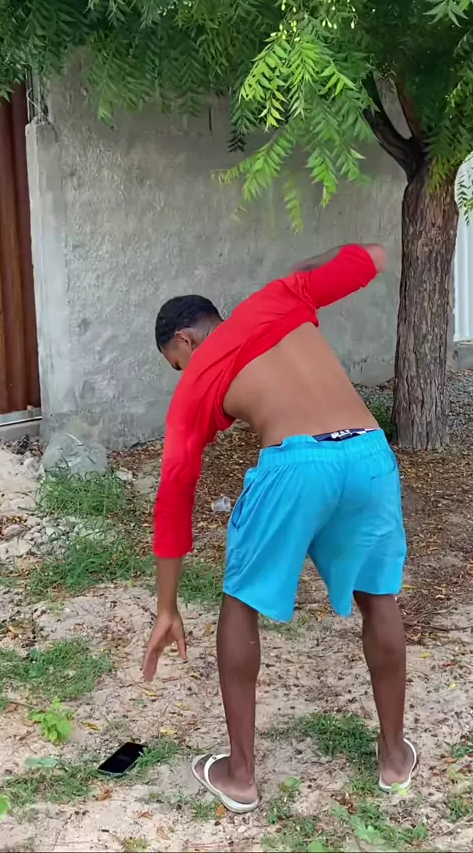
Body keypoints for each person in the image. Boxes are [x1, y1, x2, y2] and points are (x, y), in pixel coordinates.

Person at [143, 243, 416, 813]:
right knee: (379, 596)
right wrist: (298, 272)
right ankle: (394, 758)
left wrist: (166, 607)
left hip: (295, 465)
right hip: (370, 453)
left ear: (186, 341)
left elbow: (173, 496)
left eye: (176, 363)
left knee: (240, 601)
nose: (182, 375)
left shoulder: (197, 380)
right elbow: (371, 257)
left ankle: (240, 775)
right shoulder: (282, 297)